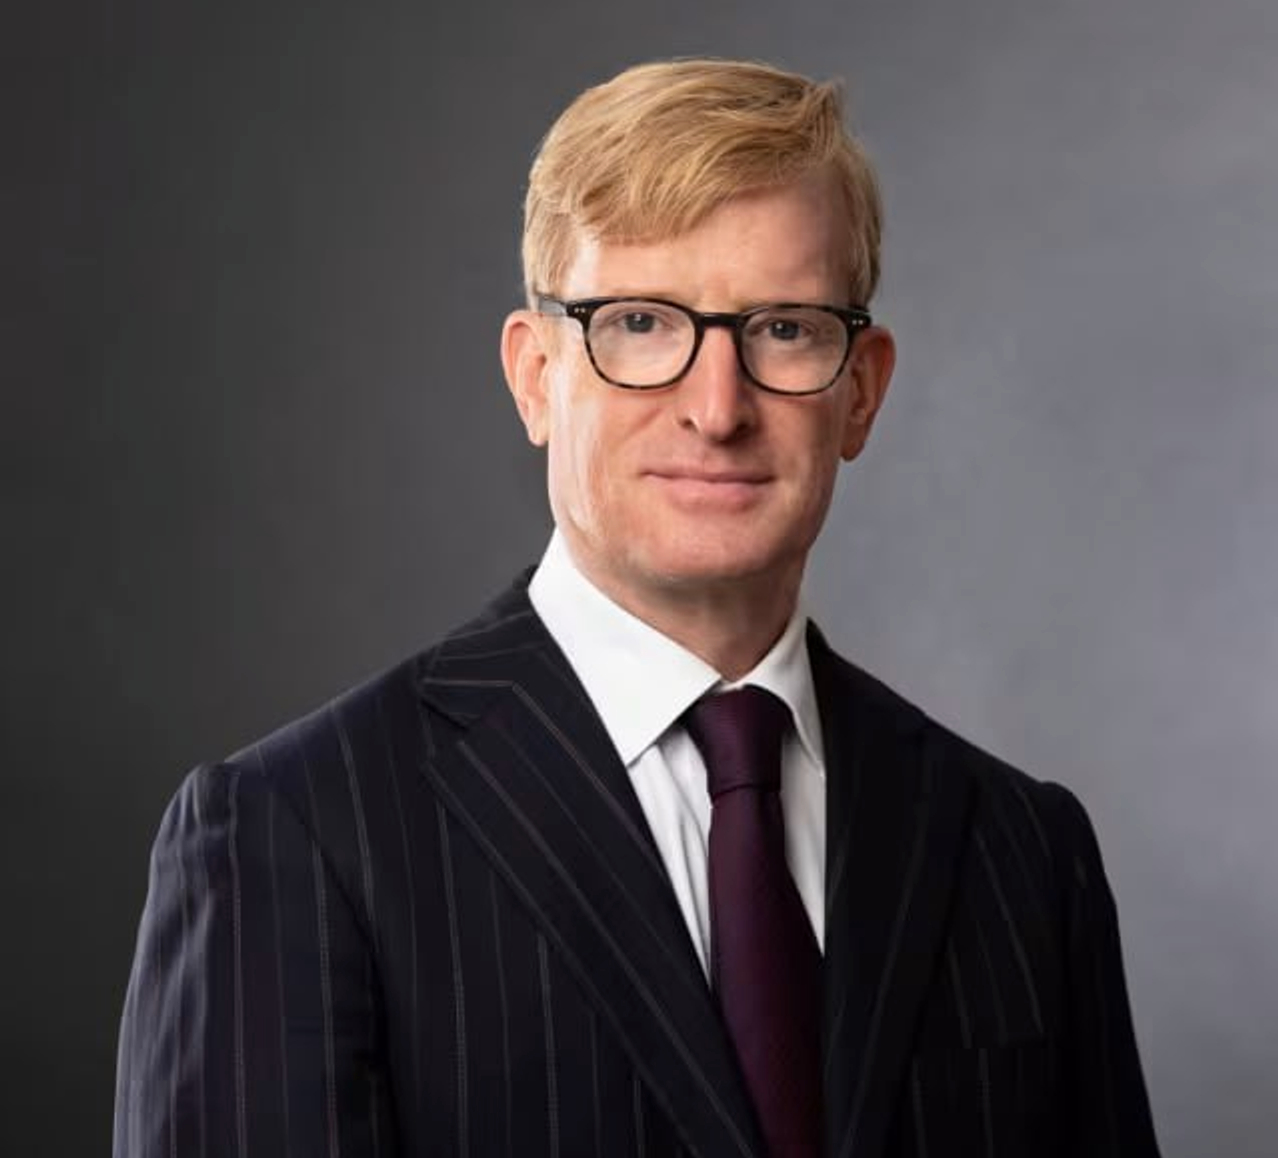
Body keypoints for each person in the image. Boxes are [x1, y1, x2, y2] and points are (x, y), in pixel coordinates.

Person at [114, 58, 1160, 1158]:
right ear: (535, 376)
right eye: (642, 324)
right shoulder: (295, 834)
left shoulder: (1022, 849)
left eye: (785, 329)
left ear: (862, 389)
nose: (717, 408)